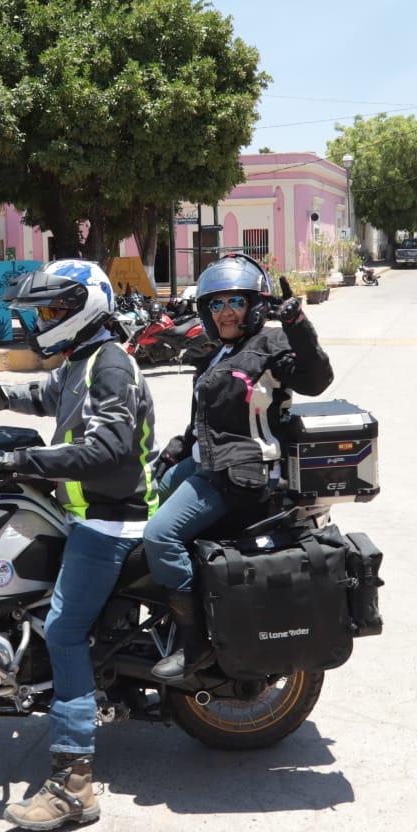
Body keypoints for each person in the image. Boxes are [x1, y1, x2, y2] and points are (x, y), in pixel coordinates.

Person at [0, 259, 157, 832]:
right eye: (41, 311)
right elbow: (48, 396)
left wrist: (19, 459)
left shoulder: (112, 365)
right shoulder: (82, 361)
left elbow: (111, 450)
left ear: (82, 308)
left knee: (65, 629)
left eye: (51, 310)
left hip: (108, 520)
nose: (42, 321)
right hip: (79, 511)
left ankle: (74, 781)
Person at [143, 253, 333, 681]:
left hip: (238, 475)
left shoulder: (270, 345)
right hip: (204, 463)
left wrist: (297, 325)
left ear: (255, 305)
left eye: (235, 302)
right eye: (216, 304)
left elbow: (316, 378)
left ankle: (194, 646)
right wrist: (175, 449)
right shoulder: (218, 353)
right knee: (137, 503)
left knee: (159, 535)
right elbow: (208, 421)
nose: (226, 312)